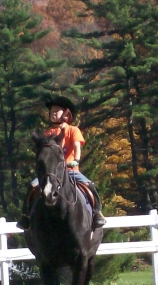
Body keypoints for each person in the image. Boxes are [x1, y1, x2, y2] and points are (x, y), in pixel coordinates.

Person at [18, 94, 106, 230]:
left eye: (56, 111)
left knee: (90, 186)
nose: (52, 114)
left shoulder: (73, 130)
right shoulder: (48, 132)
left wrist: (75, 161)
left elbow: (77, 147)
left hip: (70, 170)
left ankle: (97, 213)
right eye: (51, 112)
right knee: (32, 186)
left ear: (66, 113)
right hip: (52, 172)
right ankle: (26, 216)